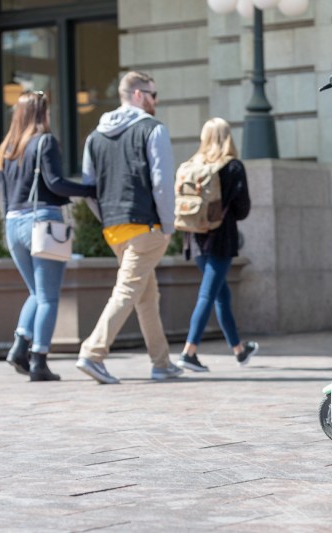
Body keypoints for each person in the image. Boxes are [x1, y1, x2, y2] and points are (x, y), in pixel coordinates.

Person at [76, 71, 180, 384]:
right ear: (138, 94)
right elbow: (162, 182)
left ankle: (161, 362)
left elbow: (89, 189)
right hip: (146, 226)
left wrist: (106, 217)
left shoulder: (94, 137)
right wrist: (168, 224)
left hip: (114, 229)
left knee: (146, 295)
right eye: (153, 94)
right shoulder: (153, 129)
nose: (155, 100)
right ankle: (92, 353)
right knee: (127, 291)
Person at [0, 90, 97, 382]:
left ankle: (20, 346)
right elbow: (55, 183)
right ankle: (39, 360)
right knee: (49, 298)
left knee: (36, 293)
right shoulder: (45, 141)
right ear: (41, 113)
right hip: (42, 223)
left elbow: (6, 199)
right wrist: (91, 190)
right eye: (48, 111)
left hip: (13, 225)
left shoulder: (7, 148)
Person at [176, 118, 258, 372]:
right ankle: (189, 351)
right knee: (208, 294)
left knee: (222, 295)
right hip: (221, 239)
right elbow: (242, 209)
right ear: (228, 137)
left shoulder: (192, 165)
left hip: (194, 237)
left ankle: (239, 350)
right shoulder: (232, 167)